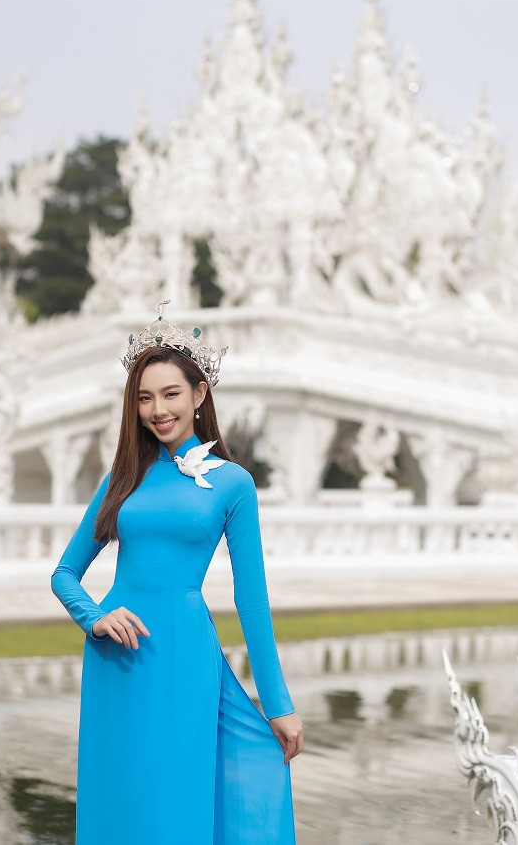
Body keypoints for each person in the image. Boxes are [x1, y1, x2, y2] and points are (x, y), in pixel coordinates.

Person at [50, 300, 304, 844]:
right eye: (144, 397)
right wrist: (94, 618)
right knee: (117, 793)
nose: (157, 409)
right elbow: (65, 574)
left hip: (183, 652)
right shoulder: (123, 476)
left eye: (170, 394)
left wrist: (277, 703)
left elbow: (251, 599)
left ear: (199, 394)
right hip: (116, 654)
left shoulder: (233, 483)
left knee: (177, 796)